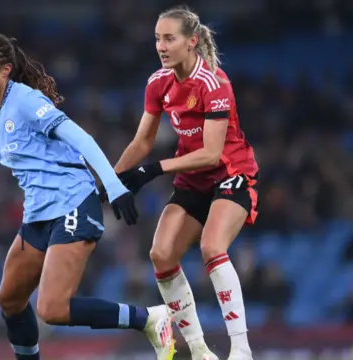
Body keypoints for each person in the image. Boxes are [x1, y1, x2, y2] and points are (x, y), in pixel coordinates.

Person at [0, 32, 176, 360]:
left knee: (52, 308)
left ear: (5, 70)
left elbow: (80, 137)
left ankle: (150, 318)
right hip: (38, 216)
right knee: (10, 300)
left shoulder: (26, 101)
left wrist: (114, 187)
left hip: (73, 204)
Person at [108, 7, 259, 360]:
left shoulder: (215, 83)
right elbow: (141, 142)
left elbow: (210, 153)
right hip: (193, 181)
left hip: (230, 173)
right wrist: (112, 181)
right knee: (160, 255)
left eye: (169, 38)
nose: (161, 45)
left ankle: (241, 349)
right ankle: (199, 350)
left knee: (211, 247)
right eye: (158, 38)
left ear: (192, 42)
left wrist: (153, 170)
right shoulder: (158, 82)